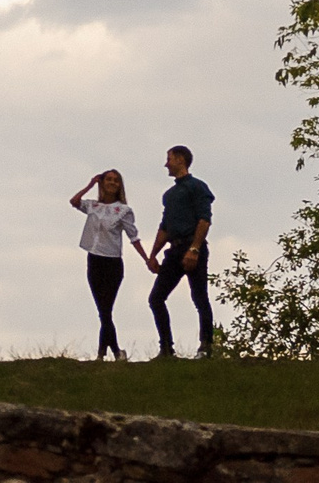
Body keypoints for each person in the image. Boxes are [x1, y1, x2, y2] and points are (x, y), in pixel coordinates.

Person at [68, 169, 153, 360]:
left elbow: (134, 237)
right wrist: (90, 184)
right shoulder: (93, 205)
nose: (112, 183)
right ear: (103, 182)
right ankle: (112, 351)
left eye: (116, 180)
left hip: (112, 263)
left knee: (106, 310)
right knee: (103, 310)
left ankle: (106, 352)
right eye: (109, 180)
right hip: (94, 259)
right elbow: (74, 201)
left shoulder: (123, 210)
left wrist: (147, 258)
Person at [145, 144, 215, 358]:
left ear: (180, 160)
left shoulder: (197, 187)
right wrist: (153, 254)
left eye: (169, 158)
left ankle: (207, 346)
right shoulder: (169, 195)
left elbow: (204, 220)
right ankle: (166, 349)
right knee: (156, 298)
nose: (166, 163)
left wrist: (194, 249)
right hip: (174, 250)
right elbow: (165, 227)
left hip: (192, 247)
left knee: (199, 296)